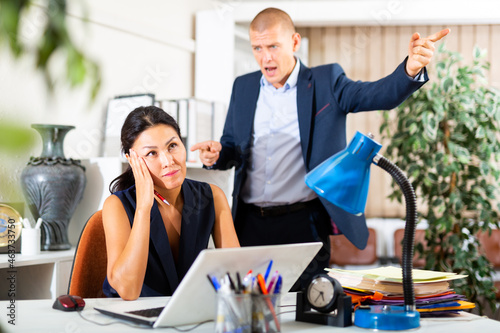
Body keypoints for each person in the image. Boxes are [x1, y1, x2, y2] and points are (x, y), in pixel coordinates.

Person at [191, 8, 449, 287]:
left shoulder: (327, 82)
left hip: (303, 222)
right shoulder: (243, 86)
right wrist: (216, 155)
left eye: (273, 46)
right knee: (250, 306)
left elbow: (376, 94)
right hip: (249, 223)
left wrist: (410, 69)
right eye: (258, 48)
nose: (266, 57)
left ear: (294, 42)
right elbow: (231, 146)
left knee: (304, 309)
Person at [102, 106, 239, 300]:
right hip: (131, 318)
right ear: (132, 160)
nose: (168, 161)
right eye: (151, 153)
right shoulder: (117, 206)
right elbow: (128, 291)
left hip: (187, 316)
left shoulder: (212, 197)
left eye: (172, 146)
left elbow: (238, 274)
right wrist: (143, 208)